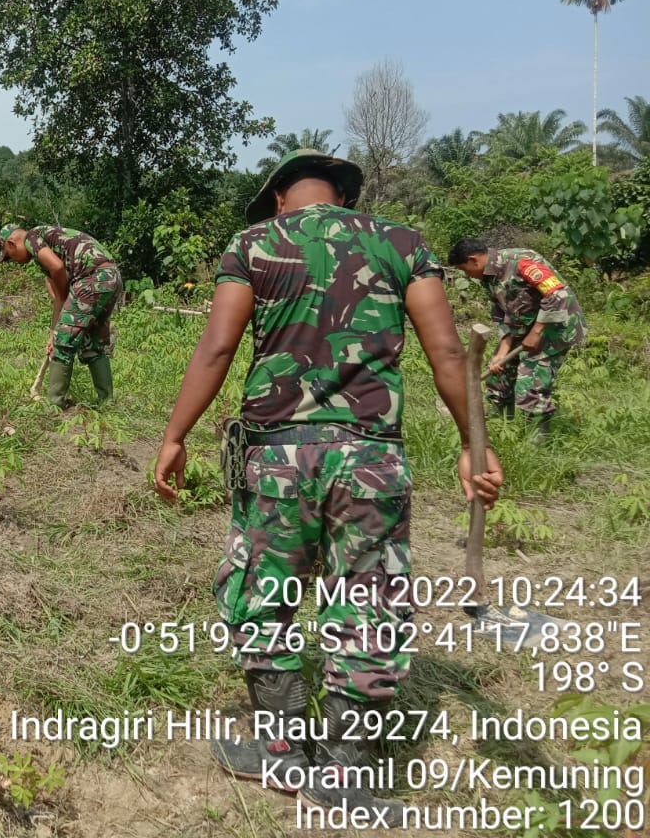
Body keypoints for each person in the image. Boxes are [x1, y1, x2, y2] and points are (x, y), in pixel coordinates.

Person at [152, 150, 504, 824]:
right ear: (344, 196)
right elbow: (448, 353)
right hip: (370, 458)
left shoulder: (254, 243)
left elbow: (218, 348)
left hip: (276, 457)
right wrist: (470, 443)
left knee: (266, 590)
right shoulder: (402, 242)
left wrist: (175, 436)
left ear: (280, 197)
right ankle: (344, 775)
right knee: (367, 604)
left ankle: (279, 749)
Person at [447, 238, 586, 434]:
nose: (466, 274)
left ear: (473, 260)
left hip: (555, 328)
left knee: (531, 384)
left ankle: (538, 444)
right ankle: (501, 430)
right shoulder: (488, 277)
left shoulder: (521, 261)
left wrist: (536, 333)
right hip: (524, 328)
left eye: (464, 269)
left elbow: (557, 295)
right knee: (497, 376)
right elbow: (503, 313)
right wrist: (503, 350)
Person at [0, 223, 122, 407]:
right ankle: (107, 402)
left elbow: (58, 269)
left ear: (12, 243)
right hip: (111, 277)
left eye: (9, 255)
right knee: (92, 344)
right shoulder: (48, 243)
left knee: (64, 343)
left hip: (92, 278)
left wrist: (58, 335)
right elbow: (59, 299)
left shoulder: (31, 238)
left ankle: (54, 404)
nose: (12, 260)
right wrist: (52, 333)